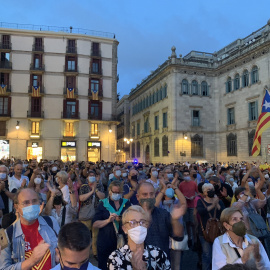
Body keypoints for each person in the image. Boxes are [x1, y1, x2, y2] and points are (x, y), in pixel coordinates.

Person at [0, 188, 60, 269]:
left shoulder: (51, 222)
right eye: (26, 203)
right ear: (16, 207)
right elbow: (4, 268)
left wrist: (60, 258)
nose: (31, 206)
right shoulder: (7, 235)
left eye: (34, 201)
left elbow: (61, 251)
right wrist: (32, 261)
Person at [107, 205, 171, 269]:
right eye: (133, 222)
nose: (139, 226)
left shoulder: (159, 254)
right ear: (125, 229)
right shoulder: (116, 258)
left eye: (142, 222)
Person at [137, 182, 185, 258]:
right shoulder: (131, 215)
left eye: (151, 194)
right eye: (145, 194)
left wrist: (175, 221)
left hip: (162, 261)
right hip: (140, 262)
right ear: (137, 197)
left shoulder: (164, 214)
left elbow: (178, 236)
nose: (149, 197)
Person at [92, 180, 131, 270]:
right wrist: (108, 220)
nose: (116, 194)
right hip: (106, 243)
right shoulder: (103, 204)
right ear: (110, 191)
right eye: (114, 192)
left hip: (122, 244)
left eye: (119, 192)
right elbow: (95, 224)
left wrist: (123, 219)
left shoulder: (126, 203)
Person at [196, 183, 225, 270]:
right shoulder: (200, 201)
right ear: (204, 192)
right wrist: (213, 205)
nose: (211, 191)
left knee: (218, 254)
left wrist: (217, 204)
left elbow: (223, 213)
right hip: (204, 232)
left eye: (212, 189)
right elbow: (201, 212)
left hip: (218, 231)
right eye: (209, 190)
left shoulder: (219, 201)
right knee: (207, 255)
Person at [179, 169, 198, 248]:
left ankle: (195, 240)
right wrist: (184, 197)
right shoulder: (181, 184)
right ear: (183, 176)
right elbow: (179, 194)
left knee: (193, 223)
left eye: (187, 174)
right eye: (185, 175)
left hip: (193, 204)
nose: (186, 176)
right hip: (185, 205)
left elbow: (197, 192)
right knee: (187, 223)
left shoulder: (193, 183)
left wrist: (194, 196)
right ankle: (189, 238)